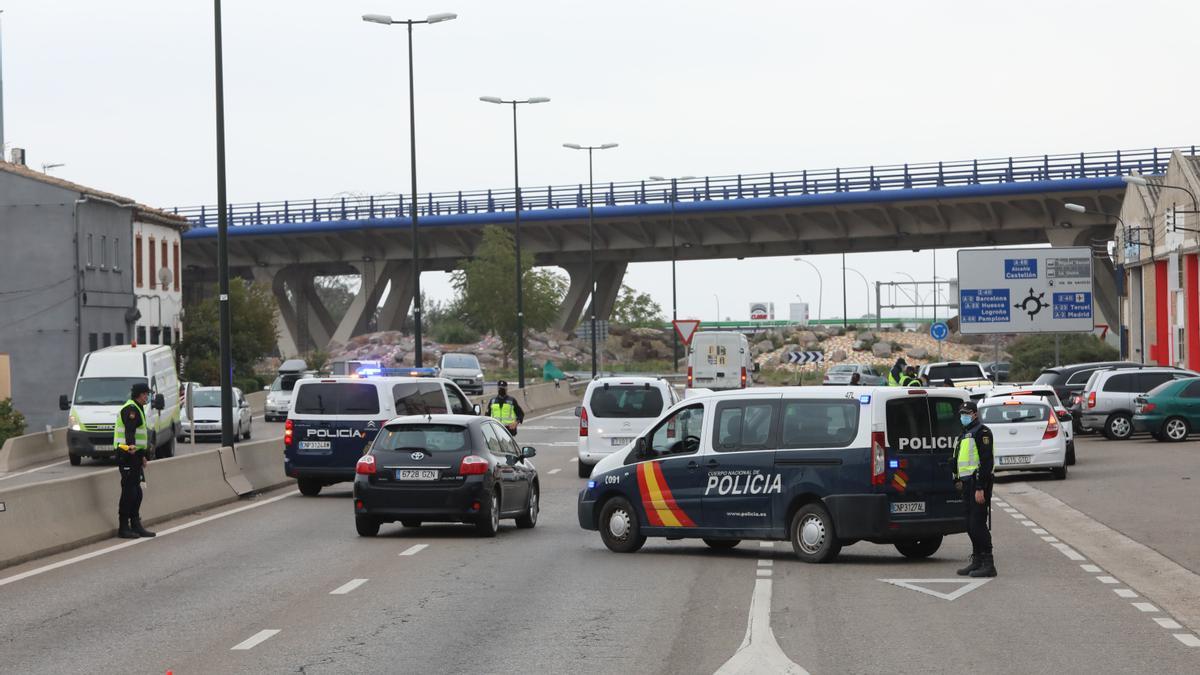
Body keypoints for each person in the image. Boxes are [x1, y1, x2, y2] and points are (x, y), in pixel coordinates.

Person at [954, 401, 995, 577]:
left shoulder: (982, 432)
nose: (964, 416)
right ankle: (977, 560)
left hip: (978, 484)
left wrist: (980, 487)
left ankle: (988, 563)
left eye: (967, 413)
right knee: (970, 524)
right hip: (967, 484)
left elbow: (986, 462)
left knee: (978, 524)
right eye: (962, 413)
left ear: (975, 414)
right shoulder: (965, 434)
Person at [114, 383, 156, 539]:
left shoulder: (138, 408)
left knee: (137, 492)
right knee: (129, 491)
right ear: (139, 394)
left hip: (135, 455)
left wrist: (142, 455)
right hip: (126, 454)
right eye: (146, 394)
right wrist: (131, 448)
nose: (148, 397)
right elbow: (129, 431)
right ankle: (123, 527)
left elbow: (139, 436)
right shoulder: (131, 409)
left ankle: (136, 524)